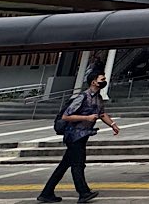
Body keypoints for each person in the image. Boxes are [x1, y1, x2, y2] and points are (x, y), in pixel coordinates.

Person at [37, 73, 119, 203]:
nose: (104, 81)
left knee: (64, 165)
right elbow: (66, 116)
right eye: (102, 79)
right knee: (78, 164)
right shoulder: (82, 97)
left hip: (83, 135)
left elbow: (102, 114)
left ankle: (46, 193)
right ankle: (83, 192)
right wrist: (86, 118)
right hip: (74, 135)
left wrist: (113, 125)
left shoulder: (98, 98)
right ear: (93, 82)